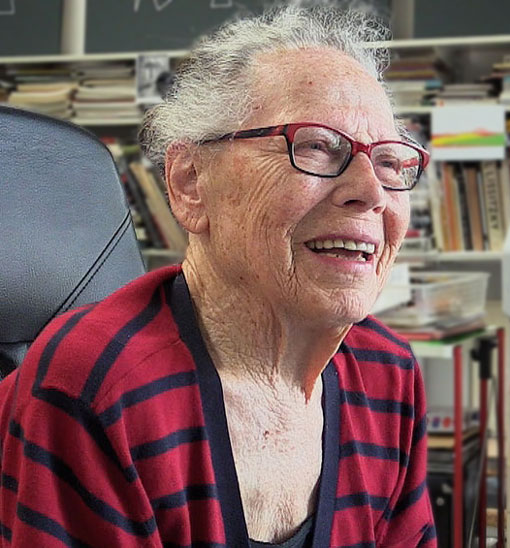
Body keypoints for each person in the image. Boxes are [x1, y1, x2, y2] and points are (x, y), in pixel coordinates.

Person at [0, 5, 436, 547]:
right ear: (189, 183)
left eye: (392, 163)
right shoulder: (98, 384)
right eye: (317, 147)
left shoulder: (388, 375)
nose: (372, 192)